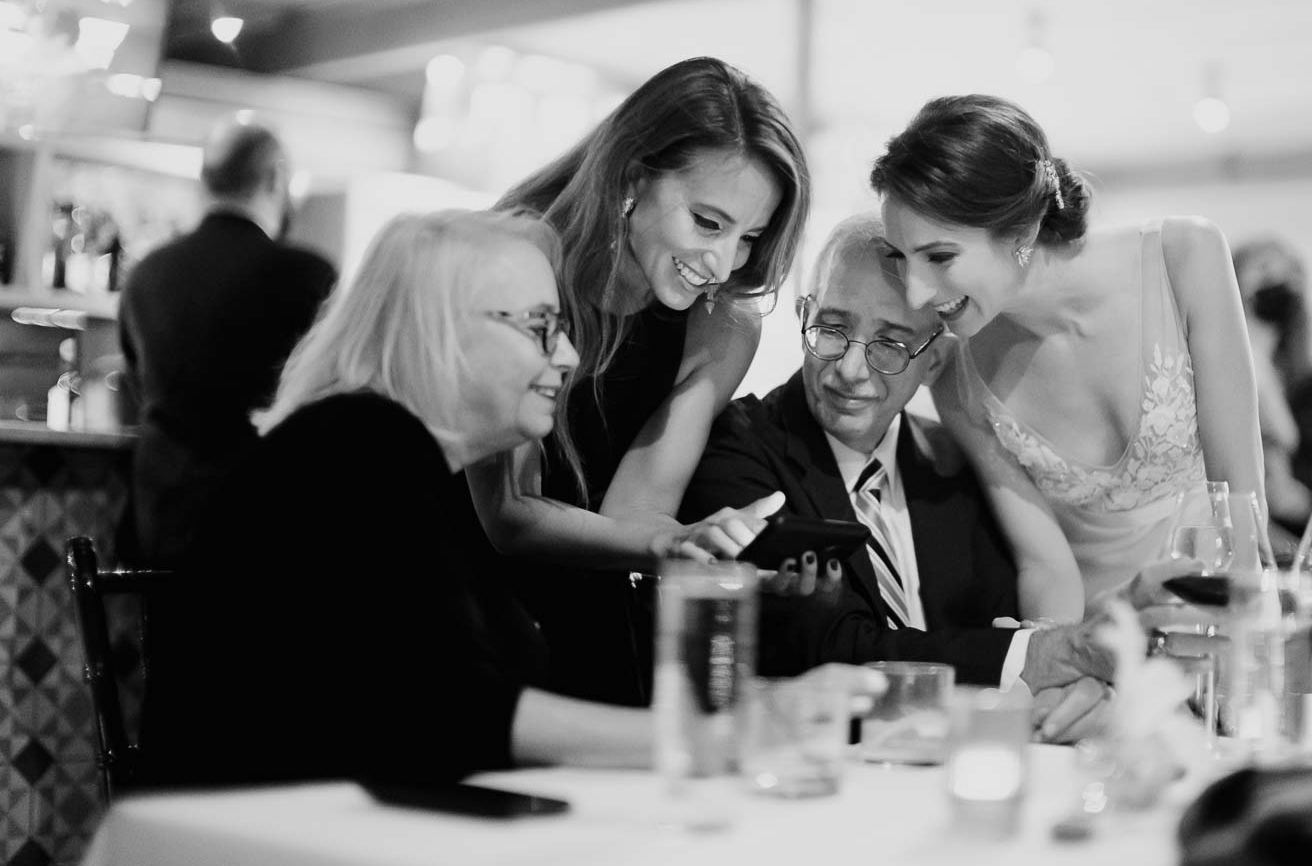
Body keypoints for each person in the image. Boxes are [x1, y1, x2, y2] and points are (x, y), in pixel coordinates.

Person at [137, 209, 878, 786]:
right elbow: (452, 712)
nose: (567, 355)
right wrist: (730, 729)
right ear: (437, 330)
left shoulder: (402, 463)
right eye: (540, 326)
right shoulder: (355, 444)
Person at [682, 214, 1122, 741]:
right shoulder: (736, 449)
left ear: (933, 361)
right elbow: (839, 650)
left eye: (889, 345)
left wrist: (1067, 686)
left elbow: (993, 622)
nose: (848, 369)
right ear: (804, 314)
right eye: (831, 328)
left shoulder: (955, 463)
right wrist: (1038, 656)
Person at [473, 57, 810, 706]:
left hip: (591, 617)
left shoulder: (724, 323)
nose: (722, 260)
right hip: (464, 604)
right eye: (708, 222)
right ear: (633, 177)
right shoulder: (514, 265)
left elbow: (632, 513)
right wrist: (668, 542)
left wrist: (695, 544)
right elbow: (508, 514)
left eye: (750, 237)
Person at [873, 95, 1265, 623]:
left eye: (940, 257)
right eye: (903, 259)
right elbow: (1045, 568)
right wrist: (1054, 664)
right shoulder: (959, 381)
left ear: (1022, 231)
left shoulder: (1185, 260)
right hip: (1096, 635)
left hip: (1219, 614)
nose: (917, 294)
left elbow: (1240, 511)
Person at [118, 117, 337, 563]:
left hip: (161, 523)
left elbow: (136, 384)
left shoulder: (147, 273)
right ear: (276, 178)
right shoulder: (305, 274)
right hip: (267, 527)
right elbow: (331, 398)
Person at [1232, 236, 1312, 546]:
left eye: (1286, 272)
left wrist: (1306, 501)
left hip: (1303, 537)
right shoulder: (1234, 364)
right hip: (1249, 529)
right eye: (1262, 268)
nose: (1275, 279)